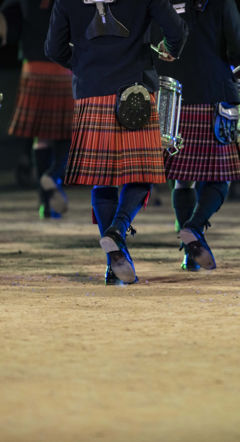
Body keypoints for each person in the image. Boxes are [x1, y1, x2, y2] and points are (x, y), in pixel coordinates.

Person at [45, 0, 188, 284]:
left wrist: (85, 63)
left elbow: (53, 49)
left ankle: (114, 262)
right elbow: (177, 31)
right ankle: (118, 230)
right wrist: (170, 51)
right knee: (141, 173)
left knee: (103, 179)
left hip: (91, 91)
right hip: (134, 91)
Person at [153, 0, 240, 271]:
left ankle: (188, 255)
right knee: (221, 179)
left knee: (182, 181)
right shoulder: (221, 2)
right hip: (213, 94)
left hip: (175, 99)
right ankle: (193, 228)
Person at [0, 0, 74, 219]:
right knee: (71, 132)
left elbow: (8, 27)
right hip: (62, 65)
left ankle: (45, 203)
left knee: (41, 138)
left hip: (33, 66)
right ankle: (53, 175)